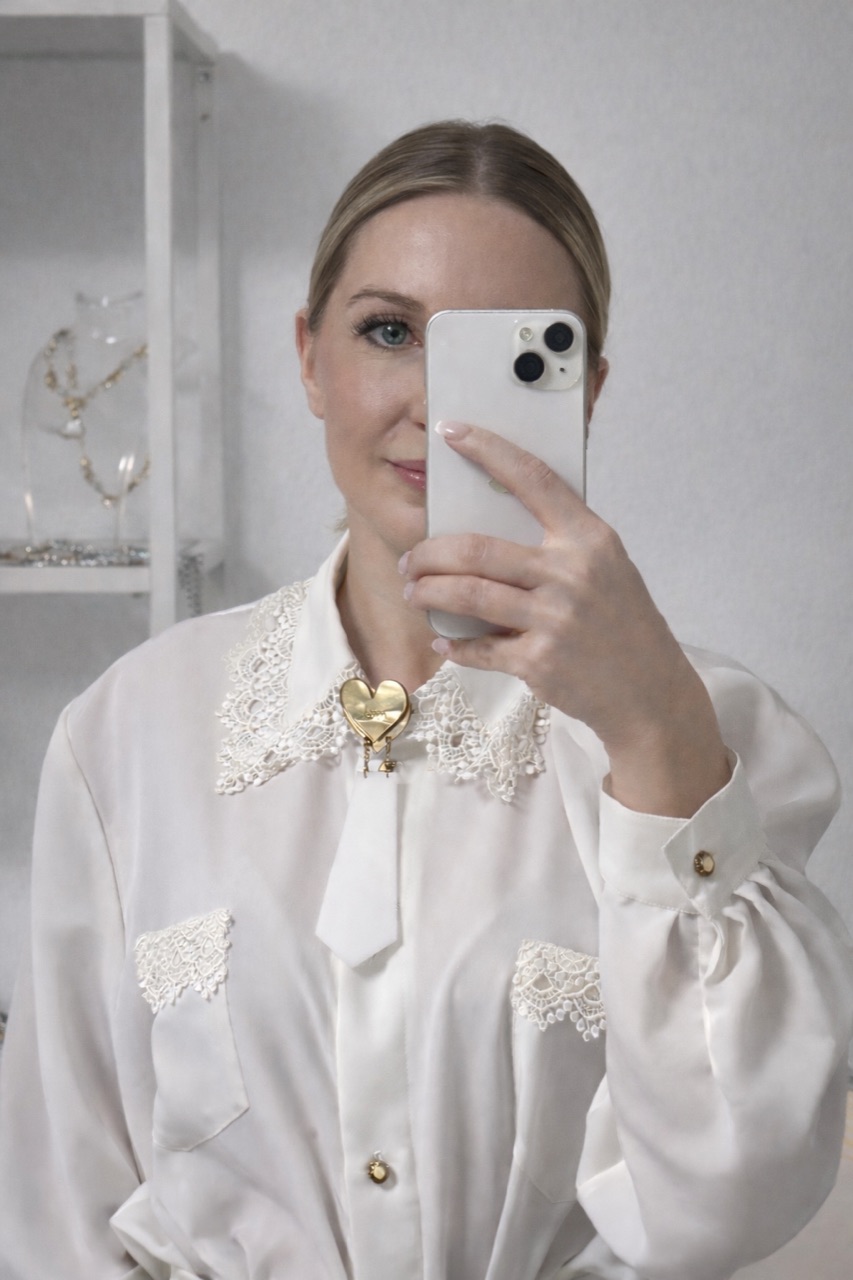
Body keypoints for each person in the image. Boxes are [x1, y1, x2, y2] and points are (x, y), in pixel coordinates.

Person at [0, 119, 851, 1280]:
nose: (438, 410)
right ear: (309, 356)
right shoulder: (128, 732)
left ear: (586, 390)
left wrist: (653, 730)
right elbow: (56, 1208)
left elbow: (733, 1199)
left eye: (508, 352)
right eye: (390, 332)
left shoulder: (711, 730)